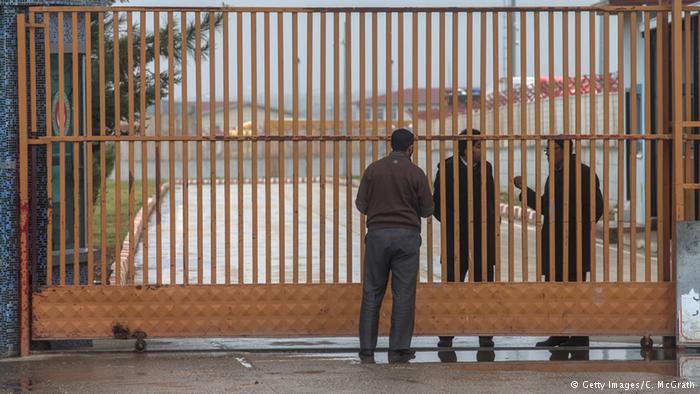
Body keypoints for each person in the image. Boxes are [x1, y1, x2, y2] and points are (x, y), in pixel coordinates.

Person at [514, 138, 604, 348]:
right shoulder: (554, 176)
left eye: (551, 149)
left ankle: (579, 337)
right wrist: (526, 192)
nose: (547, 153)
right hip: (555, 244)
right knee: (555, 290)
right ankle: (559, 333)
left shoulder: (583, 173)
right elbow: (548, 208)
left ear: (566, 150)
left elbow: (596, 207)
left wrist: (577, 227)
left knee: (575, 290)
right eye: (546, 149)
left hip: (575, 244)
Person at [355, 128, 434, 364]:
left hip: (378, 236)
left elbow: (361, 205)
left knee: (372, 292)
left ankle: (367, 348)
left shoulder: (373, 169)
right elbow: (428, 210)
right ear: (410, 147)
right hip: (407, 238)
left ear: (391, 145)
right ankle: (399, 348)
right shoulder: (416, 173)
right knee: (403, 294)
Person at [432, 129, 496, 349]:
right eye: (478, 146)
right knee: (452, 283)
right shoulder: (447, 168)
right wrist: (453, 224)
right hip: (456, 236)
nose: (482, 151)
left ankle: (485, 332)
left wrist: (491, 222)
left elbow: (491, 199)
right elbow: (437, 204)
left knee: (484, 283)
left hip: (482, 236)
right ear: (466, 148)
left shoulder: (486, 168)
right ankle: (447, 333)